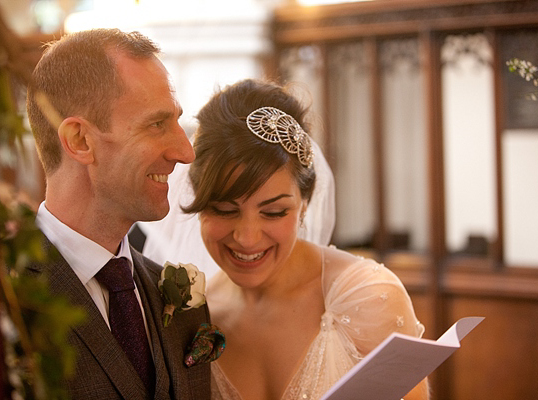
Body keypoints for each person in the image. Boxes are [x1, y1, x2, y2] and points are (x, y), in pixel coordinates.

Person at [142, 78, 429, 400]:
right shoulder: (196, 317)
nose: (247, 238)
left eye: (274, 212)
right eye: (224, 210)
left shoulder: (366, 297)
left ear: (304, 204)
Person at [26, 28, 211, 399]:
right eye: (157, 124)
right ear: (80, 140)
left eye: (177, 121)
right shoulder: (1, 296)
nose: (185, 152)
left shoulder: (180, 301)